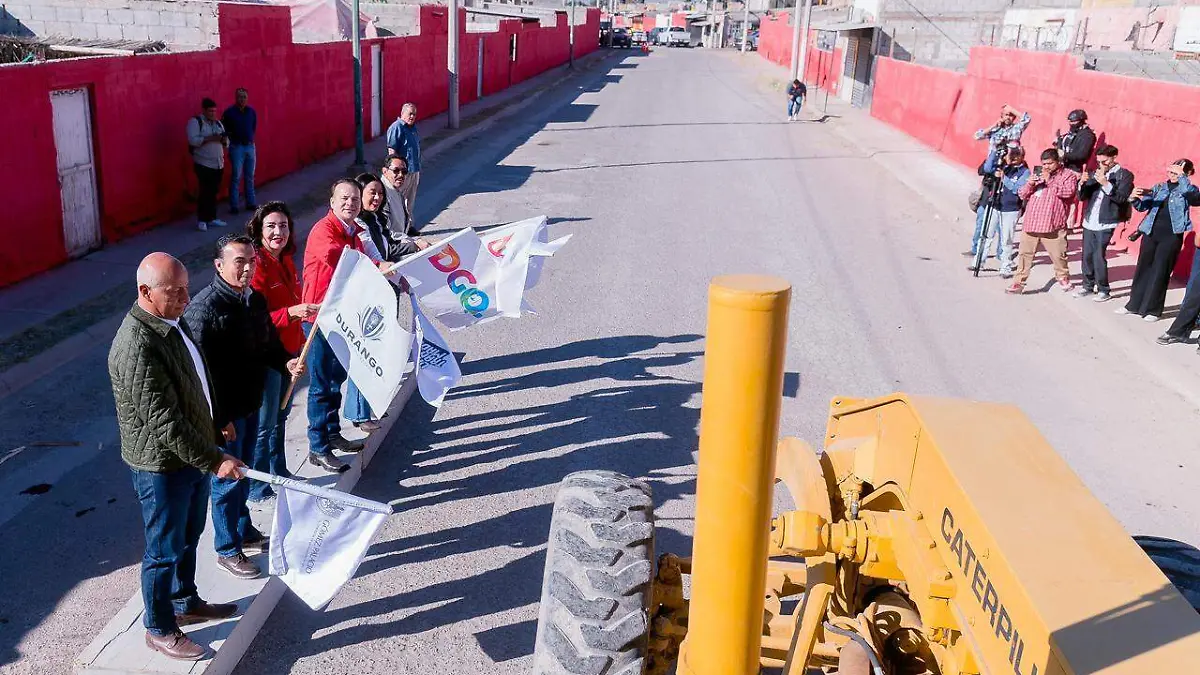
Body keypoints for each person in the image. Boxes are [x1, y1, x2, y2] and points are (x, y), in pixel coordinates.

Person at [108, 252, 245, 661]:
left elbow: (196, 380)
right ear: (144, 292)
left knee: (189, 537)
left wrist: (215, 421)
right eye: (175, 291)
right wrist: (214, 458)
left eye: (187, 288)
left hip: (192, 456)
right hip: (162, 467)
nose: (187, 298)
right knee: (163, 549)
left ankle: (185, 601)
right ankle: (159, 626)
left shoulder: (172, 320)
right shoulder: (136, 345)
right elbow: (164, 423)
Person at [182, 235, 302, 579]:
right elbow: (198, 373)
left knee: (245, 473)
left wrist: (286, 363)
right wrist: (218, 419)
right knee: (226, 481)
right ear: (219, 266)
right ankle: (227, 549)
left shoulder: (254, 300)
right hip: (224, 416)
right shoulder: (205, 309)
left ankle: (243, 529)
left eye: (251, 261)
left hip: (249, 403)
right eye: (239, 262)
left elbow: (268, 344)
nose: (247, 268)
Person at [246, 202, 320, 505]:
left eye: (284, 226)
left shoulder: (286, 259)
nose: (279, 232)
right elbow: (259, 318)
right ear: (259, 231)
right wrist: (292, 312)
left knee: (282, 414)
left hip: (291, 349)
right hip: (269, 354)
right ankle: (258, 485)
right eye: (272, 226)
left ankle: (279, 471)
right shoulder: (258, 265)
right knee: (265, 424)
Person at [301, 180, 375, 473]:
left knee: (335, 379)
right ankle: (318, 448)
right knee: (320, 385)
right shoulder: (324, 231)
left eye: (355, 199)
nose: (350, 203)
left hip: (341, 318)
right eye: (344, 198)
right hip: (318, 319)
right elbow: (342, 261)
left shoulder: (353, 232)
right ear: (331, 202)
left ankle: (332, 433)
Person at [1119, 160, 1200, 322]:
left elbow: (1194, 198)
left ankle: (1153, 310)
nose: (1172, 175)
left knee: (1161, 271)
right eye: (1171, 172)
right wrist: (1134, 199)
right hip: (1150, 231)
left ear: (1187, 174)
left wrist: (1182, 177)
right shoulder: (1159, 187)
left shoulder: (1189, 189)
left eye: (1176, 173)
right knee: (1143, 268)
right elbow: (1143, 207)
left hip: (1171, 236)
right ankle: (1133, 305)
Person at [1008, 149, 1078, 295]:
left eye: (1050, 163)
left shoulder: (1068, 176)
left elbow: (1067, 193)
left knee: (1059, 255)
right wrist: (1030, 184)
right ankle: (1018, 282)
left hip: (1052, 224)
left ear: (1058, 162)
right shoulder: (1038, 174)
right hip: (1032, 222)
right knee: (1025, 254)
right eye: (1044, 163)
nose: (1046, 167)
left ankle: (1062, 276)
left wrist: (1049, 181)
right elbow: (1022, 194)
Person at [1076, 145, 1134, 302]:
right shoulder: (1096, 172)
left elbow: (1122, 198)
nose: (1102, 164)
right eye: (1099, 161)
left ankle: (1104, 289)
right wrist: (1082, 184)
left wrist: (1106, 184)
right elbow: (1083, 197)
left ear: (1114, 157)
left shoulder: (1125, 175)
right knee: (1086, 254)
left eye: (1105, 161)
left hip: (1106, 221)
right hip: (1090, 220)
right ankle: (1088, 285)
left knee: (1098, 255)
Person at [970, 145, 1030, 278]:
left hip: (1011, 209)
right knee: (986, 235)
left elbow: (1017, 189)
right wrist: (995, 152)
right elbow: (986, 168)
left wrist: (1004, 179)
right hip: (994, 205)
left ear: (1022, 157)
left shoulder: (1025, 172)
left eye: (1016, 154)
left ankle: (1005, 266)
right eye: (1011, 154)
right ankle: (978, 262)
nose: (1013, 157)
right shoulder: (1002, 166)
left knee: (1006, 239)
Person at [187, 98, 229, 232]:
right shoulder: (196, 122)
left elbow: (226, 142)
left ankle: (212, 217)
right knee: (204, 191)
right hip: (203, 162)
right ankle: (202, 219)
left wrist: (223, 140)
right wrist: (211, 138)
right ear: (204, 110)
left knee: (214, 191)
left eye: (215, 111)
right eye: (210, 111)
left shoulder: (218, 123)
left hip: (218, 163)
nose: (213, 113)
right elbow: (193, 141)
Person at [222, 88, 258, 215]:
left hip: (249, 146)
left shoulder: (251, 112)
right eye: (239, 97)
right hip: (237, 147)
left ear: (247, 98)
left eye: (244, 97)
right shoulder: (229, 113)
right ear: (235, 98)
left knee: (249, 176)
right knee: (236, 176)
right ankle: (234, 205)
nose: (242, 99)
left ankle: (251, 202)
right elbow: (224, 129)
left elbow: (253, 127)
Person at [386, 102, 422, 226]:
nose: (412, 117)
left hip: (414, 169)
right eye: (410, 114)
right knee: (398, 200)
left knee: (410, 200)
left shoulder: (412, 128)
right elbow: (392, 150)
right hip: (403, 172)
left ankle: (409, 225)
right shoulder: (396, 127)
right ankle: (398, 226)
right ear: (402, 114)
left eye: (414, 114)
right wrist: (395, 170)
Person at [1054, 109, 1097, 174]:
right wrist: (1058, 141)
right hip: (1061, 166)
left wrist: (1064, 155)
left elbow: (1082, 155)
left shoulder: (1088, 136)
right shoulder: (1073, 131)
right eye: (1070, 121)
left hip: (1073, 170)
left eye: (1073, 121)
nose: (1070, 123)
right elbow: (1065, 144)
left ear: (1081, 121)